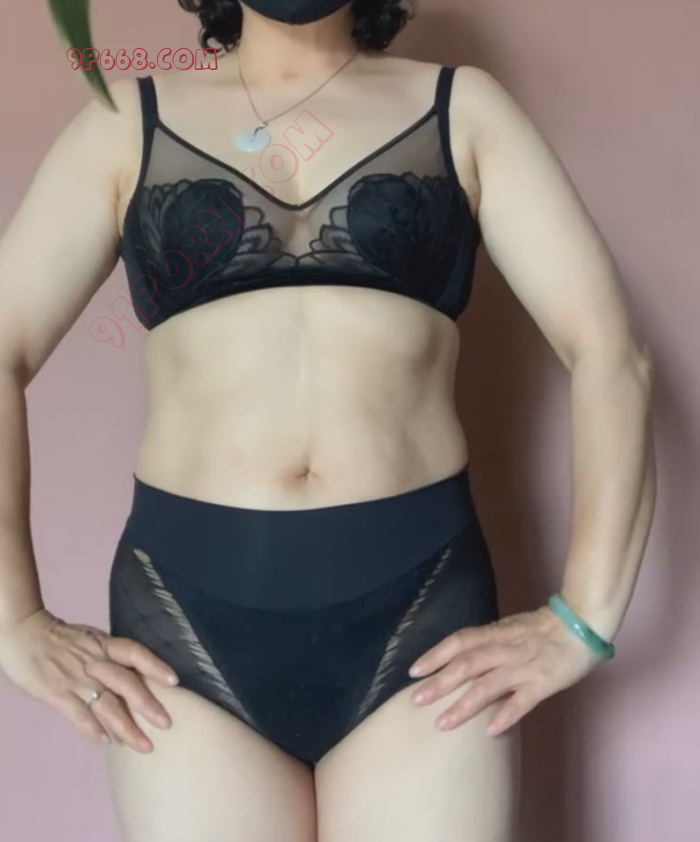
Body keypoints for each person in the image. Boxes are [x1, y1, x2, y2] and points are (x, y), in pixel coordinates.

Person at [0, 1, 656, 840]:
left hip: (420, 610)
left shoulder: (463, 108)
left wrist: (585, 618)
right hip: (185, 621)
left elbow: (612, 354)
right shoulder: (127, 120)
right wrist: (16, 622)